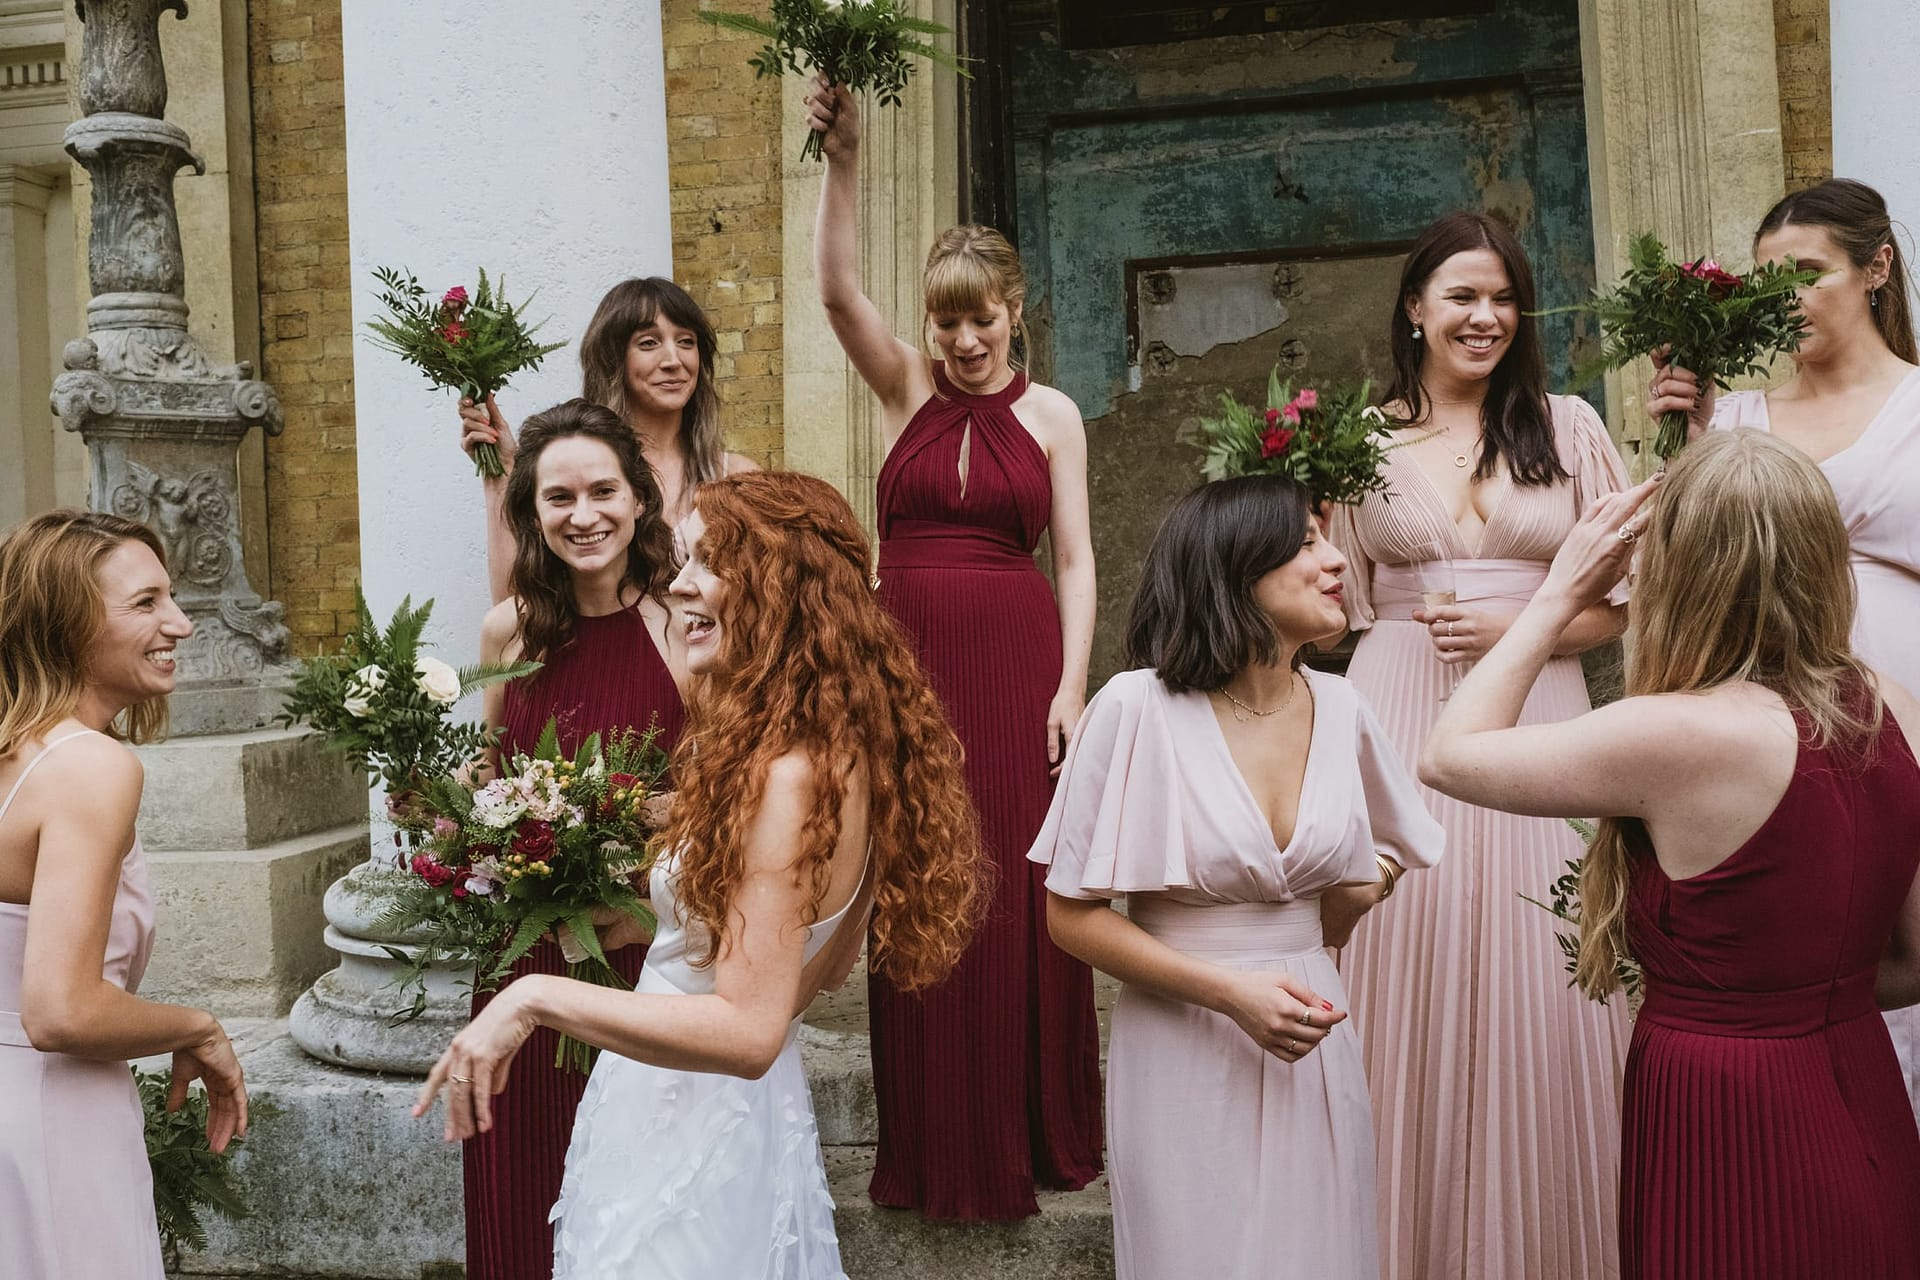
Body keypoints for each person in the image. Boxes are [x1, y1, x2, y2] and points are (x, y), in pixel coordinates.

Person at [416, 471, 987, 1278]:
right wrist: (644, 920)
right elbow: (796, 968)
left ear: (780, 585)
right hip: (721, 1117)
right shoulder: (834, 756)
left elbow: (750, 1029)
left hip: (692, 1130)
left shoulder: (789, 779)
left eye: (705, 562)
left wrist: (532, 997)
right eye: (681, 559)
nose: (678, 582)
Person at [1420, 430, 1920, 1279]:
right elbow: (1913, 960)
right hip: (1859, 1080)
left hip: (1725, 1104)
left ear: (1683, 570)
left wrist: (1558, 593)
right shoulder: (1891, 702)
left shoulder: (1673, 733)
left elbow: (1450, 754)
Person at [806, 78, 1103, 1219]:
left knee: (1019, 888)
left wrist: (1074, 684)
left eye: (983, 318)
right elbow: (836, 292)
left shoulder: (1056, 415)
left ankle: (1035, 1132)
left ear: (1015, 309)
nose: (965, 340)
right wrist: (846, 161)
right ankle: (935, 1145)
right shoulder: (902, 390)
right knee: (922, 879)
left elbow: (1073, 559)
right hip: (909, 664)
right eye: (947, 320)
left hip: (1020, 656)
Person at [1032, 475, 1443, 1280]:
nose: (1336, 562)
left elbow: (1359, 883)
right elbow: (1070, 918)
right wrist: (1230, 994)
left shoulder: (1344, 706)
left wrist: (1364, 889)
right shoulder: (1133, 708)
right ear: (1235, 570)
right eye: (1307, 543)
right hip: (1185, 1044)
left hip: (1311, 1043)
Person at [1326, 210, 1634, 1277]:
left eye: (1502, 297)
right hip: (1398, 710)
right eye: (1462, 295)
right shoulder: (1359, 445)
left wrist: (1523, 623)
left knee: (1544, 967)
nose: (1485, 316)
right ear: (1414, 307)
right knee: (1395, 953)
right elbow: (1331, 613)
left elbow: (1622, 603)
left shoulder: (1568, 425)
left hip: (1540, 717)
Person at [1646, 177, 1920, 1115]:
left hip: (1907, 695)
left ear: (1876, 268)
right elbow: (1692, 584)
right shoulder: (1740, 420)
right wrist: (1689, 442)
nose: (1784, 298)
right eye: (1766, 282)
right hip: (1772, 724)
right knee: (1823, 945)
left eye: (1807, 273)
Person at [460, 399, 685, 1279]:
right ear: (534, 512)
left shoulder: (685, 630)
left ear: (639, 500)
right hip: (520, 953)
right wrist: (451, 817)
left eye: (602, 492)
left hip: (637, 950)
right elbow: (486, 779)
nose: (582, 516)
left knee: (634, 1197)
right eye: (559, 498)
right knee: (520, 1180)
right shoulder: (507, 629)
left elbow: (719, 803)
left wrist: (615, 819)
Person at [0, 510, 249, 1279]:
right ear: (68, 623)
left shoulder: (18, 754)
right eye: (144, 604)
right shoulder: (90, 767)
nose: (179, 622)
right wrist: (198, 1027)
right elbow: (62, 1011)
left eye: (170, 598)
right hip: (53, 1117)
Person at [458, 276, 759, 601]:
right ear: (612, 359)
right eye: (649, 343)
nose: (674, 361)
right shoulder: (576, 478)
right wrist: (500, 472)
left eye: (686, 341)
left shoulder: (738, 477)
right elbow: (515, 606)